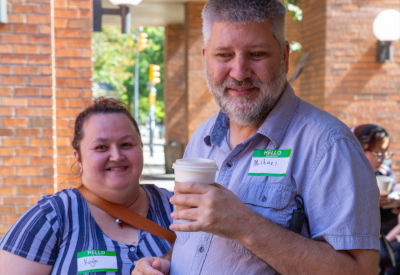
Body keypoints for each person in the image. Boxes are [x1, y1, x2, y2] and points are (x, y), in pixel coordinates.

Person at [133, 0, 380, 274]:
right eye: (224, 55)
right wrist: (165, 262)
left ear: (285, 56)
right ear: (205, 57)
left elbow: (361, 270)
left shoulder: (329, 145)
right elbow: (194, 240)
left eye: (257, 54)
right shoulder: (202, 137)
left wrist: (244, 225)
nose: (239, 72)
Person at [0, 98, 174, 274]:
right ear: (78, 157)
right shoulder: (49, 218)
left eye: (126, 144)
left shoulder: (175, 207)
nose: (116, 155)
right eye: (101, 147)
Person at [354, 124, 399, 275]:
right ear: (360, 149)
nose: (382, 159)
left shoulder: (381, 175)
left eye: (385, 154)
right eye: (377, 153)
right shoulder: (350, 178)